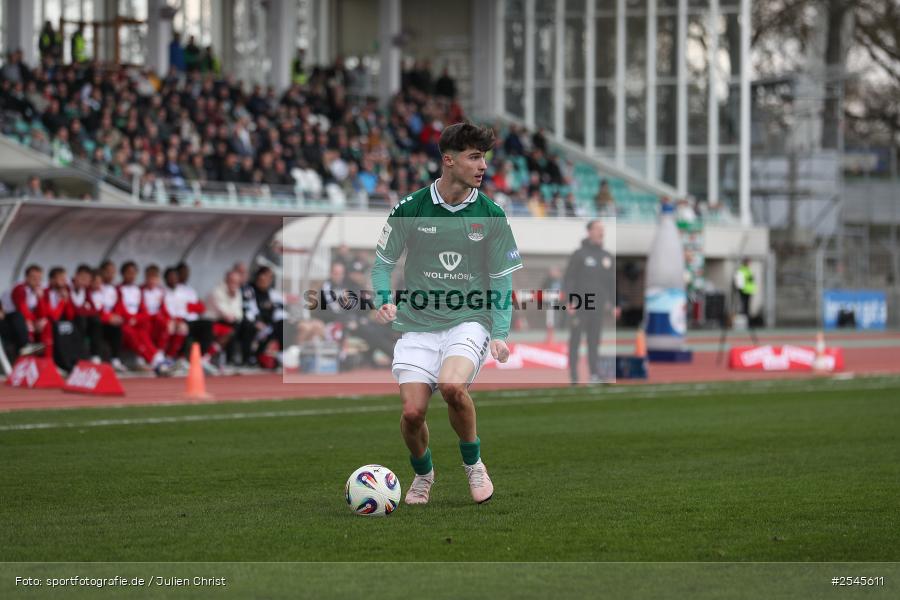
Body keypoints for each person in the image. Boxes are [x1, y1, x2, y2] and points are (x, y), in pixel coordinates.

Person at [371, 122, 522, 505]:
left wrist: (500, 333)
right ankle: (424, 475)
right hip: (418, 324)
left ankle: (474, 465)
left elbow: (502, 282)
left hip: (468, 320)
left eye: (484, 157)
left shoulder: (491, 214)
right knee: (411, 413)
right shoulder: (411, 208)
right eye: (474, 157)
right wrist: (383, 299)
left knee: (453, 388)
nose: (482, 165)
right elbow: (381, 264)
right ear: (449, 160)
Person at [563, 220, 616, 385]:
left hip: (598, 307)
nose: (602, 232)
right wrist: (570, 300)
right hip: (580, 305)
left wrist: (614, 303)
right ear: (589, 231)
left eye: (603, 229)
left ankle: (594, 374)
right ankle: (574, 376)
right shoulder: (579, 254)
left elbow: (611, 283)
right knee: (575, 341)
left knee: (594, 341)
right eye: (598, 228)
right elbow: (569, 278)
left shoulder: (607, 256)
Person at [0, 265, 48, 359]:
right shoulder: (19, 289)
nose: (37, 281)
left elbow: (42, 314)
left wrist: (40, 298)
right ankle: (25, 345)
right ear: (27, 278)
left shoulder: (36, 291)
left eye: (39, 278)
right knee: (19, 317)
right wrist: (34, 323)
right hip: (7, 320)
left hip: (19, 322)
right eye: (34, 278)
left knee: (45, 322)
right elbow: (22, 310)